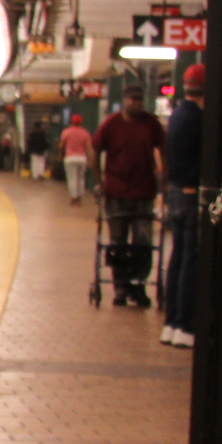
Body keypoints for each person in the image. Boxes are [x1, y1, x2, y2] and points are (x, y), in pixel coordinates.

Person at [91, 84, 165, 307]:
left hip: (144, 192)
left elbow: (164, 148)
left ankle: (139, 285)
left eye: (140, 99)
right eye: (132, 99)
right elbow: (94, 148)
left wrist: (165, 181)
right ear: (124, 100)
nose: (136, 103)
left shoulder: (151, 123)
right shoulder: (112, 124)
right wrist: (98, 181)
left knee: (143, 242)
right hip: (116, 193)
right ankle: (121, 288)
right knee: (118, 242)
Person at [161, 64, 205, 347]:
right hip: (191, 195)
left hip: (175, 194)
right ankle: (187, 326)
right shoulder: (199, 119)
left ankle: (171, 323)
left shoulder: (176, 115)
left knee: (177, 259)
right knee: (191, 261)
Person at [60, 113, 93, 204]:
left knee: (72, 178)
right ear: (81, 122)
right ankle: (80, 197)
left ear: (72, 121)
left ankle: (74, 197)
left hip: (70, 158)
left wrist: (60, 155)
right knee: (81, 178)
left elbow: (61, 146)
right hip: (82, 158)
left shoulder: (66, 132)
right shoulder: (85, 133)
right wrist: (91, 159)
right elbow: (89, 148)